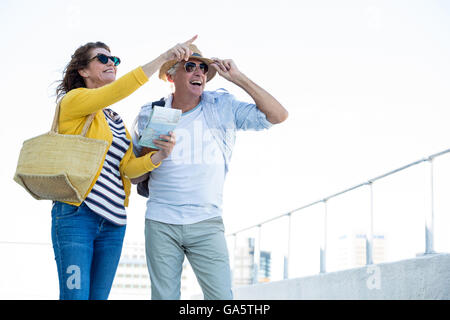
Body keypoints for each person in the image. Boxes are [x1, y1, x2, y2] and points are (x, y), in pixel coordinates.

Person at [131, 43, 288, 300]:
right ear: (171, 77)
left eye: (202, 68)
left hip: (206, 223)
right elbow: (135, 176)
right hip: (161, 221)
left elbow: (278, 115)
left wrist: (238, 78)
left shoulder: (221, 106)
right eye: (189, 66)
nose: (199, 72)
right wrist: (153, 154)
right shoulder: (151, 113)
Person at [51, 36, 199, 300]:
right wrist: (164, 58)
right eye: (103, 59)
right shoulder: (73, 102)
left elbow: (130, 170)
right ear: (83, 71)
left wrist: (159, 156)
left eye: (115, 60)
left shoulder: (115, 120)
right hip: (77, 215)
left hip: (113, 223)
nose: (112, 63)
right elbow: (119, 90)